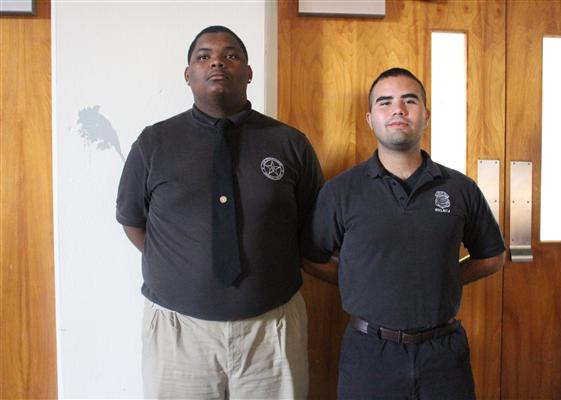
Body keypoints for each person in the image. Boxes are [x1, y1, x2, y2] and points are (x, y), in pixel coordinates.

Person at [116, 25, 323, 399]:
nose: (217, 62)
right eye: (204, 56)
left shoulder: (290, 143)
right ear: (188, 74)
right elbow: (133, 221)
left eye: (231, 55)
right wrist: (181, 263)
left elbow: (311, 225)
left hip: (272, 330)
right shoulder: (153, 143)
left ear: (249, 72)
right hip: (178, 333)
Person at [302, 67, 506, 399]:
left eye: (409, 101)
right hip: (369, 353)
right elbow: (312, 258)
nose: (398, 109)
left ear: (426, 116)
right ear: (370, 119)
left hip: (443, 354)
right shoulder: (341, 191)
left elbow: (492, 257)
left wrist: (442, 279)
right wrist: (361, 280)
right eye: (385, 102)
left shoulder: (460, 189)